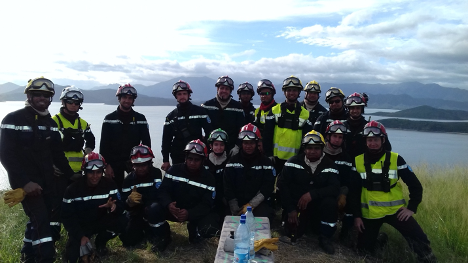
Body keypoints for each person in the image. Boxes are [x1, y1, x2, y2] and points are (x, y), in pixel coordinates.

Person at [0, 77, 75, 262]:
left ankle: (28, 253)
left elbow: (58, 155)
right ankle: (44, 258)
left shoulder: (50, 124)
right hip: (27, 186)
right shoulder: (12, 119)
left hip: (47, 184)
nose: (42, 98)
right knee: (42, 223)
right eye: (38, 95)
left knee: (38, 220)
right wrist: (24, 183)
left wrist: (74, 176)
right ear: (28, 95)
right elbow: (6, 155)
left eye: (46, 95)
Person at [350, 121, 436, 262]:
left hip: (395, 211)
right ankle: (380, 241)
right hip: (369, 213)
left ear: (383, 140)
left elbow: (415, 185)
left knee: (419, 238)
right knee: (363, 252)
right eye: (369, 140)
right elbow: (354, 191)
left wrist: (411, 208)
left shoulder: (396, 159)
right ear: (365, 141)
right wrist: (357, 216)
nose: (373, 143)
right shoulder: (358, 161)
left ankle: (428, 259)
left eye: (376, 140)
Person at [279, 131, 340, 254]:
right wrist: (291, 209)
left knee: (330, 203)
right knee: (292, 231)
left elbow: (334, 188)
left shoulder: (330, 165)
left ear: (322, 148)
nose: (312, 151)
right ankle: (301, 224)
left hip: (318, 206)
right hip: (297, 206)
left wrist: (312, 194)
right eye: (309, 148)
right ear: (304, 148)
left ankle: (325, 238)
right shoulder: (292, 162)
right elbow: (282, 186)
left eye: (316, 148)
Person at [61, 152, 127, 262]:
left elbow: (121, 206)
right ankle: (84, 242)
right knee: (72, 257)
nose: (95, 176)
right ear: (85, 172)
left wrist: (114, 206)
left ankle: (100, 242)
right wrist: (80, 236)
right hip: (81, 226)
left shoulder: (110, 184)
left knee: (123, 220)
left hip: (100, 222)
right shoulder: (72, 189)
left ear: (103, 171)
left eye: (99, 172)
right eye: (91, 172)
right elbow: (66, 216)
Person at [158, 140, 220, 243]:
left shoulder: (209, 178)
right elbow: (163, 191)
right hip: (173, 210)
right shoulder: (174, 170)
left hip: (194, 212)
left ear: (202, 161)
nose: (192, 162)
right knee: (153, 209)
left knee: (210, 229)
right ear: (185, 158)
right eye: (189, 158)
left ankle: (194, 228)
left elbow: (207, 204)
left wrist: (189, 214)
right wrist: (168, 204)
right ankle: (162, 234)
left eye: (196, 160)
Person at [100, 83, 151, 190]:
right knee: (115, 190)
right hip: (114, 162)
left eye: (130, 98)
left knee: (136, 190)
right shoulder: (109, 118)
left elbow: (146, 143)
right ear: (119, 98)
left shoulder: (140, 118)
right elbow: (104, 144)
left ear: (133, 100)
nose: (127, 100)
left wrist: (145, 163)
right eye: (124, 97)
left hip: (134, 161)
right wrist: (106, 165)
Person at [120, 144, 170, 252]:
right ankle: (145, 230)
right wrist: (129, 202)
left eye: (144, 165)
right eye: (137, 165)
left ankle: (161, 233)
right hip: (136, 213)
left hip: (152, 209)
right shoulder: (128, 180)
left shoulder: (156, 173)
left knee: (154, 208)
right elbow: (123, 203)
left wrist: (142, 199)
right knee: (128, 240)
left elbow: (158, 194)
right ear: (132, 165)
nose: (141, 168)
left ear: (149, 163)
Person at [224, 124, 276, 220]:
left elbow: (267, 187)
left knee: (263, 217)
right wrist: (233, 206)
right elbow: (228, 186)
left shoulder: (266, 163)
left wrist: (251, 205)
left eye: (251, 143)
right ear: (241, 143)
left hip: (258, 204)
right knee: (225, 218)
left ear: (257, 143)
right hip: (236, 202)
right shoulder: (232, 162)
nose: (248, 146)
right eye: (245, 143)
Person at [264, 75, 314, 172]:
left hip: (296, 160)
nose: (291, 93)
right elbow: (267, 135)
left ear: (299, 92)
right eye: (289, 90)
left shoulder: (305, 114)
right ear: (284, 92)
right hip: (275, 159)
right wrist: (268, 155)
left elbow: (307, 138)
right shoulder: (274, 110)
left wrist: (303, 157)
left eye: (294, 90)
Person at [161, 80, 212, 171]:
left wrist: (208, 150)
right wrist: (165, 160)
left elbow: (209, 132)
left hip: (198, 154)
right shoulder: (171, 117)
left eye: (184, 93)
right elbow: (166, 140)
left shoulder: (200, 112)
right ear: (175, 96)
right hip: (178, 156)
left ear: (189, 95)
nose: (182, 96)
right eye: (179, 94)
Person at [322, 121, 354, 245]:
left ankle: (345, 235)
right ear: (328, 136)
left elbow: (347, 180)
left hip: (338, 191)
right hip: (321, 191)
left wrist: (344, 194)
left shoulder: (346, 158)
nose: (337, 140)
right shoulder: (318, 153)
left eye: (340, 137)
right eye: (334, 136)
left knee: (351, 203)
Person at [52, 86, 95, 175]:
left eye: (76, 102)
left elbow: (91, 140)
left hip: (79, 171)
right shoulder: (54, 121)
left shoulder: (83, 124)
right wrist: (50, 164)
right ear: (63, 102)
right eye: (70, 102)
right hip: (59, 172)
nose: (73, 105)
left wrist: (87, 152)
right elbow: (45, 145)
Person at [201, 76, 244, 151]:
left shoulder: (238, 107)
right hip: (211, 149)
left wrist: (237, 147)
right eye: (222, 88)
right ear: (217, 89)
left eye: (227, 89)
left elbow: (241, 129)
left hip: (231, 149)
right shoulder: (207, 106)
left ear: (230, 91)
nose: (224, 91)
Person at [344, 92, 391, 157]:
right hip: (345, 164)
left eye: (358, 108)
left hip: (364, 165)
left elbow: (387, 148)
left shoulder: (370, 128)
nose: (355, 111)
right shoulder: (342, 126)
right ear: (348, 109)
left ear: (362, 109)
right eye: (352, 108)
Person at [205, 129, 230, 218]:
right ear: (210, 145)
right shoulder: (204, 161)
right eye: (216, 144)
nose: (219, 148)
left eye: (221, 145)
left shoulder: (230, 161)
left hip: (225, 198)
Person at [253, 79, 277, 157]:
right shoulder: (257, 112)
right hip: (258, 149)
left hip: (273, 151)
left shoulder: (278, 110)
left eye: (267, 93)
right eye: (261, 93)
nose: (263, 96)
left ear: (272, 94)